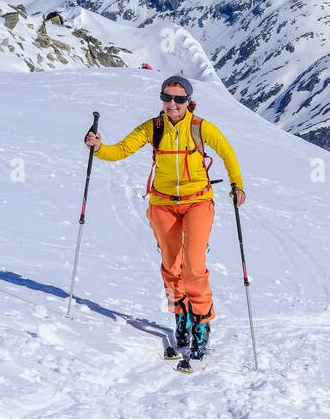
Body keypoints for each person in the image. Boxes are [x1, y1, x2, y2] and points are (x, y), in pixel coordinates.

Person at [84, 75, 245, 362]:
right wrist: (98, 148)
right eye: (167, 97)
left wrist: (237, 185)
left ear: (188, 102)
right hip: (162, 204)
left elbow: (227, 153)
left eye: (179, 99)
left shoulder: (199, 127)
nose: (172, 103)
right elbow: (121, 150)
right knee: (171, 267)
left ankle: (201, 322)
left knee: (194, 266)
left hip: (197, 202)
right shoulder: (153, 127)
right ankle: (179, 316)